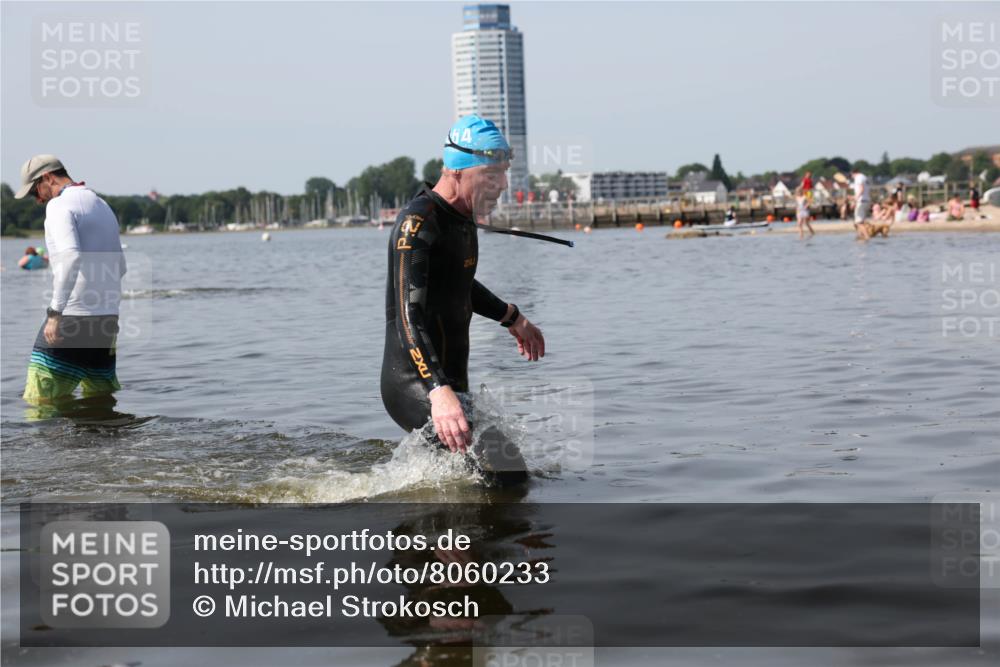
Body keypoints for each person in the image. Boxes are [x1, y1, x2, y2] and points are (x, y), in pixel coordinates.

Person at [381, 115, 546, 484]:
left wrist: (512, 317)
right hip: (415, 383)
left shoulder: (462, 217)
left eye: (503, 173)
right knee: (509, 475)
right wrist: (438, 392)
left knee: (476, 479)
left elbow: (459, 281)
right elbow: (409, 317)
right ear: (457, 172)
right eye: (491, 174)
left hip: (450, 381)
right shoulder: (418, 224)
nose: (502, 185)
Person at [13, 155, 126, 405]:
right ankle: (110, 443)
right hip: (107, 320)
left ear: (48, 177)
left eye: (35, 192)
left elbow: (71, 257)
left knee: (39, 401)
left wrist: (55, 313)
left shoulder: (59, 206)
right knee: (100, 399)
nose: (39, 199)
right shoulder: (101, 204)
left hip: (72, 317)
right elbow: (120, 266)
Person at [851, 168, 872, 240]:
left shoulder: (858, 177)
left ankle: (867, 237)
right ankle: (860, 237)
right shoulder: (864, 177)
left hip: (861, 201)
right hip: (866, 201)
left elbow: (861, 189)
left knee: (858, 223)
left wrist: (855, 198)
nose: (852, 177)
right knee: (860, 222)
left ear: (853, 173)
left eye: (852, 175)